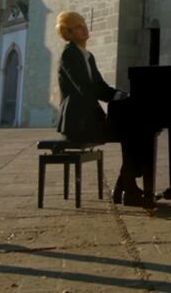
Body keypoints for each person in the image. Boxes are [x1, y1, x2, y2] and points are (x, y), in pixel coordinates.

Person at [56, 11, 154, 207]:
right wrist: (117, 96)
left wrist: (122, 95)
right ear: (68, 32)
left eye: (83, 24)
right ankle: (126, 188)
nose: (84, 28)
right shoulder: (69, 54)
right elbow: (84, 88)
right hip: (78, 123)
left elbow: (101, 87)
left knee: (138, 130)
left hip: (90, 119)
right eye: (77, 26)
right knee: (134, 131)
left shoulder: (87, 56)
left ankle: (125, 188)